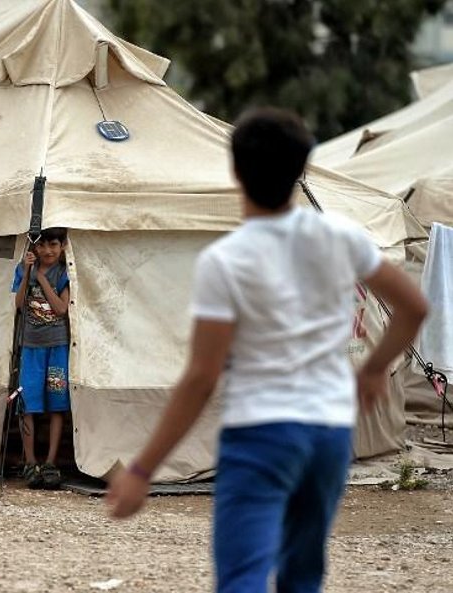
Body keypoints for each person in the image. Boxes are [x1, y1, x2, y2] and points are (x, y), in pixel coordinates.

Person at [106, 107, 429, 593]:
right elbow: (413, 309)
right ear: (302, 170)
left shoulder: (227, 260)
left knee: (243, 577)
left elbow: (201, 376)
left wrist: (143, 468)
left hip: (261, 433)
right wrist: (374, 369)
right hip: (328, 433)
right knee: (302, 576)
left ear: (235, 171)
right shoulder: (341, 236)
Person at [10, 227, 71, 489]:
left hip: (57, 347)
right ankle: (30, 462)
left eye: (53, 245)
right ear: (34, 247)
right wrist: (27, 273)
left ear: (63, 246)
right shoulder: (24, 269)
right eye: (42, 245)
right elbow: (20, 304)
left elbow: (60, 309)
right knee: (28, 403)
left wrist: (42, 278)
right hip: (31, 348)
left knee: (57, 404)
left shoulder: (65, 272)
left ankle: (50, 462)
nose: (48, 251)